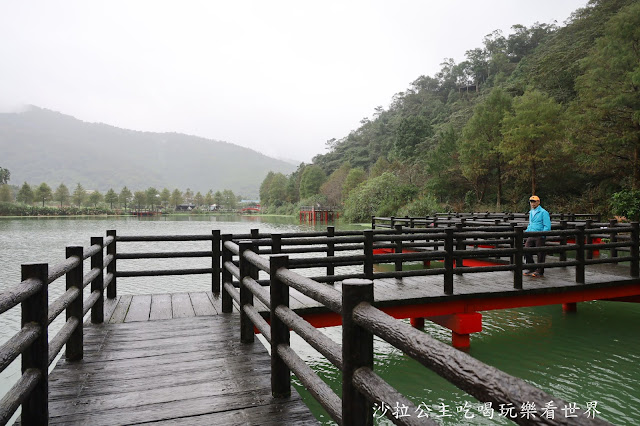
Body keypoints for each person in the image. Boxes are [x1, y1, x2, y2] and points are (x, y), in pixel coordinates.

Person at [524, 195, 551, 277]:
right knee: (526, 250)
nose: (532, 203)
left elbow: (547, 226)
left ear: (538, 202)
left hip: (539, 235)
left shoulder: (544, 212)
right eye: (531, 202)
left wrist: (543, 235)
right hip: (531, 234)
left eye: (534, 201)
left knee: (540, 253)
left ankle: (540, 271)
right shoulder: (531, 212)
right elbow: (530, 224)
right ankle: (531, 267)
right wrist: (526, 232)